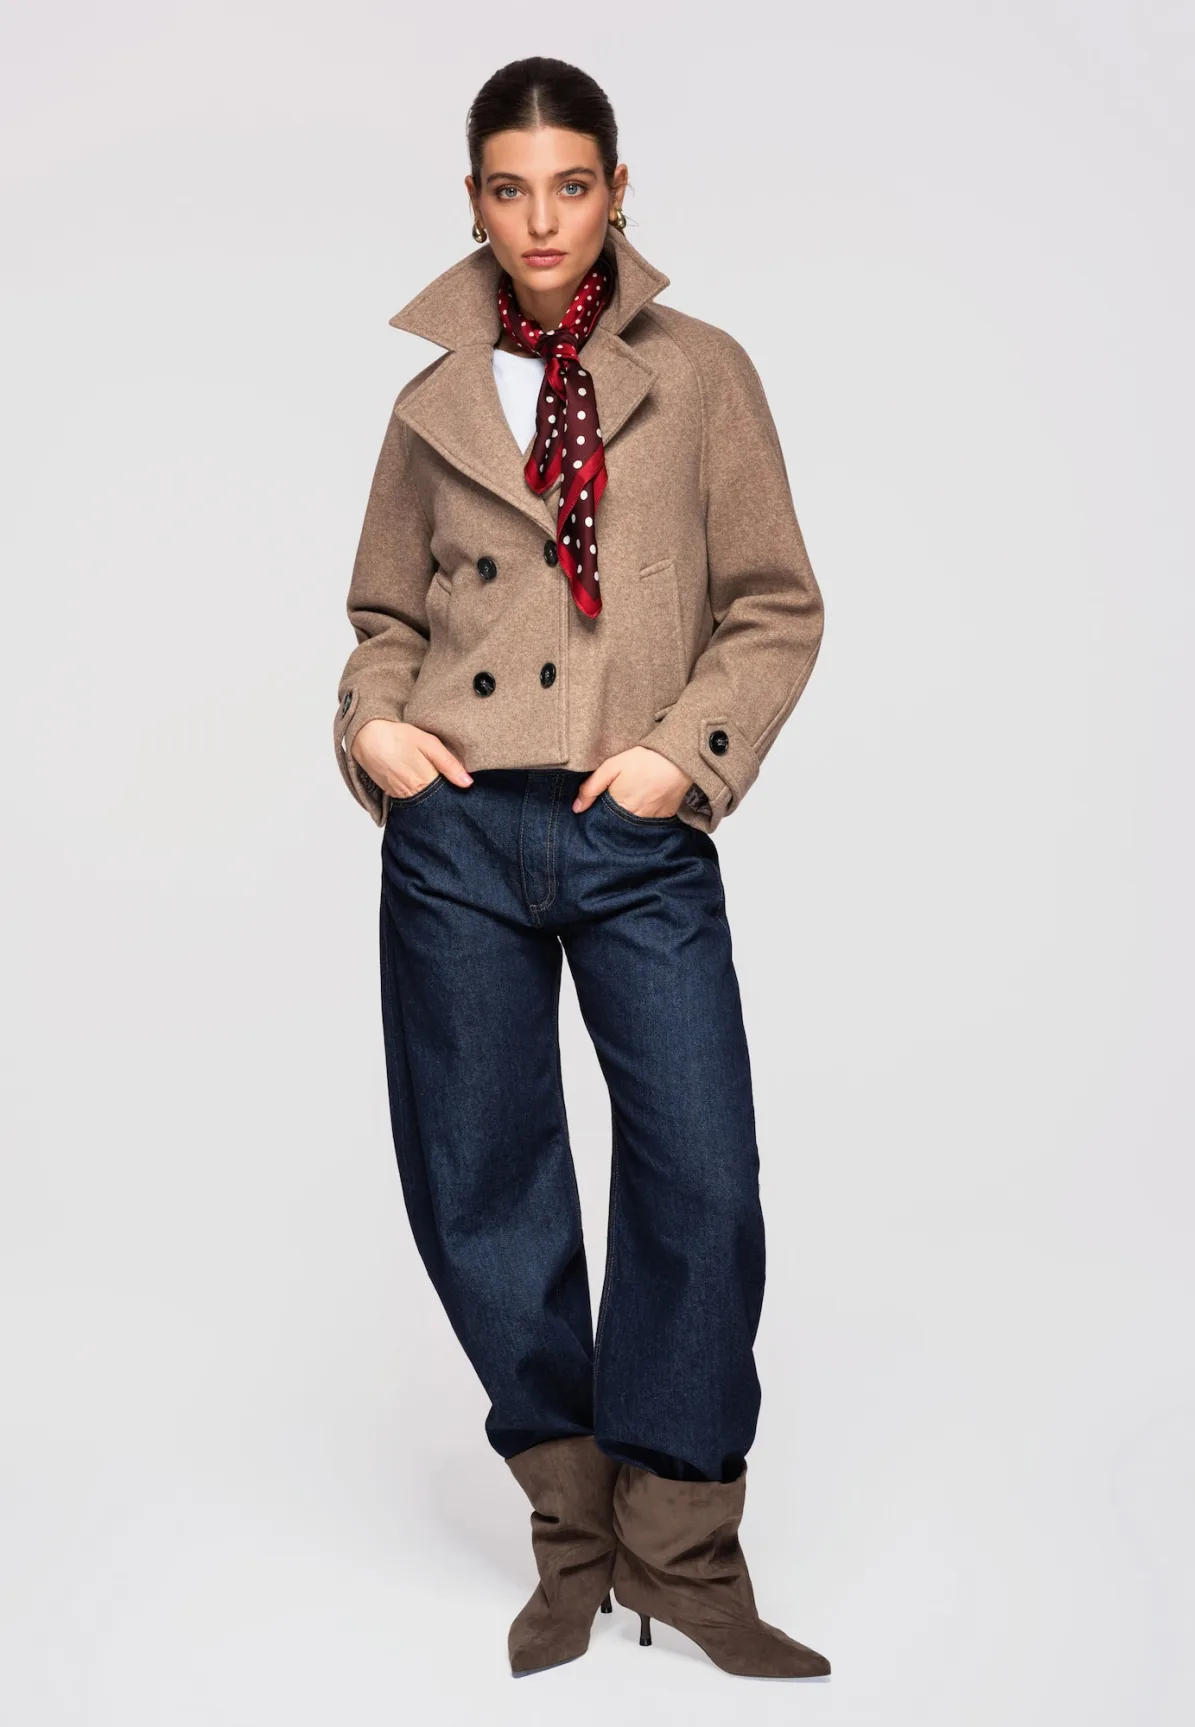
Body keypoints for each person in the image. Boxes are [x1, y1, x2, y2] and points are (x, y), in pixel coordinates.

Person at [332, 56, 830, 1681]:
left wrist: (684, 755)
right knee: (483, 1178)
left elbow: (775, 603)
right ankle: (574, 1535)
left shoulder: (703, 375)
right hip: (460, 831)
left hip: (633, 826)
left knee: (702, 1173)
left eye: (569, 185)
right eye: (508, 188)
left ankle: (681, 1551)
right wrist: (373, 726)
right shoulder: (433, 400)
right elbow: (385, 615)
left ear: (618, 190)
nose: (540, 220)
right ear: (475, 202)